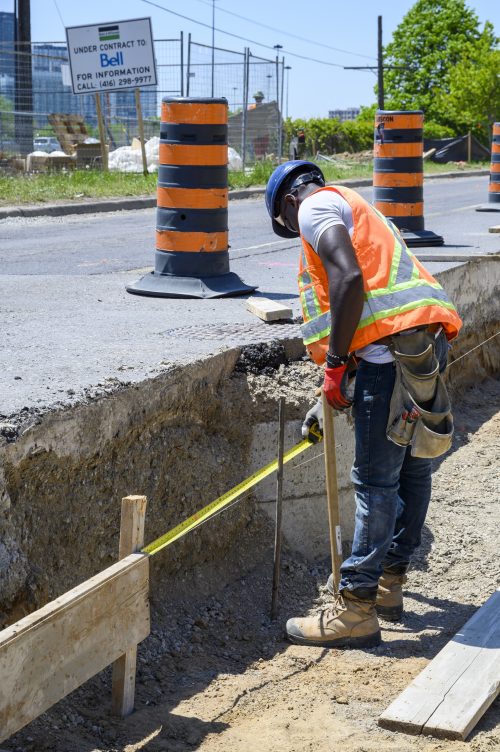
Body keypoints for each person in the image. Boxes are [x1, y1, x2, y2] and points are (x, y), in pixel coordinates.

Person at [265, 160, 462, 649]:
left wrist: (334, 364)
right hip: (418, 347)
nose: (297, 233)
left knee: (374, 481)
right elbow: (372, 303)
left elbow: (348, 281)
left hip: (387, 361)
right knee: (413, 467)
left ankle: (355, 610)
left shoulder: (313, 207)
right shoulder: (355, 205)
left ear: (288, 203)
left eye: (289, 228)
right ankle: (389, 586)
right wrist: (330, 388)